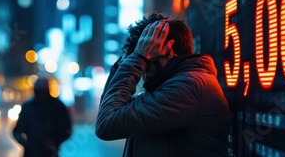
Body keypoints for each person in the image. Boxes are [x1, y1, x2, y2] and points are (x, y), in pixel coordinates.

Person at [95, 13, 230, 156]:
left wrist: (138, 57)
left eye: (147, 61)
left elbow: (107, 123)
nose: (143, 72)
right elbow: (112, 109)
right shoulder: (171, 87)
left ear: (168, 53)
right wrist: (126, 61)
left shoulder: (190, 88)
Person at [13, 76, 72, 157]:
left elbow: (67, 129)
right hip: (32, 153)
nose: (42, 96)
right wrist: (28, 145)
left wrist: (55, 142)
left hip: (50, 153)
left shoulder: (58, 106)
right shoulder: (28, 107)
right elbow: (17, 131)